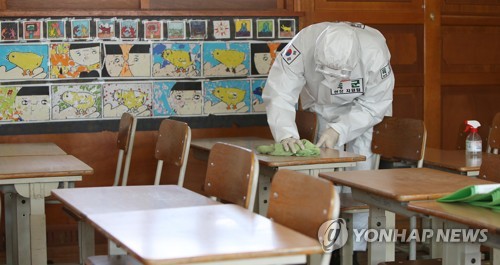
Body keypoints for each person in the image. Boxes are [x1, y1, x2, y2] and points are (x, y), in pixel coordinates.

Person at [262, 21, 395, 260]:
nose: (334, 81)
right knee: (321, 176)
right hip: (321, 109)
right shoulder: (302, 44)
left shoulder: (375, 53)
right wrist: (286, 134)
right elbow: (279, 91)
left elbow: (376, 104)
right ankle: (325, 247)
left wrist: (340, 129)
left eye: (340, 74)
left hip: (362, 113)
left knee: (361, 182)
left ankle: (355, 251)